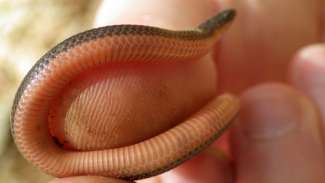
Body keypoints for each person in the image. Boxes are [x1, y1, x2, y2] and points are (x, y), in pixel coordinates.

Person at [50, 0, 325, 182]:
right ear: (219, 28)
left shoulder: (196, 48)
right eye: (225, 21)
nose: (227, 21)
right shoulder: (191, 41)